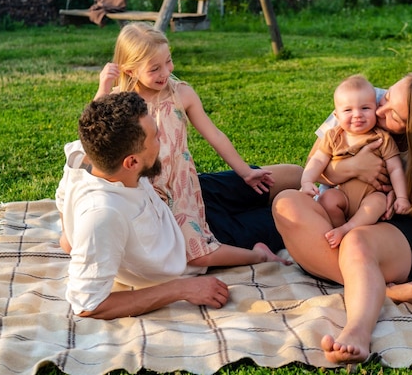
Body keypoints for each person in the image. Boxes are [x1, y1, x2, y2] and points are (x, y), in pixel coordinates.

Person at [272, 72, 412, 364]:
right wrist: (354, 167)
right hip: (338, 211)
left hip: (396, 231)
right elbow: (316, 166)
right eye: (388, 96)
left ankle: (357, 331)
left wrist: (408, 202)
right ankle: (382, 289)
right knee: (285, 202)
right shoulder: (360, 100)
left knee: (356, 240)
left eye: (394, 116)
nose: (378, 110)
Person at [95, 22, 302, 263]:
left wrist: (245, 172)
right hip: (164, 204)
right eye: (155, 69)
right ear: (130, 71)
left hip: (188, 186)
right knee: (280, 216)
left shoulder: (181, 93)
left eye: (168, 61)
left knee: (293, 175)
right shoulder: (120, 104)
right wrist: (103, 89)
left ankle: (323, 188)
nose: (165, 72)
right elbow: (95, 138)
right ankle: (297, 221)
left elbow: (215, 135)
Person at [56, 92, 229, 319]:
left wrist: (70, 237)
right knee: (284, 202)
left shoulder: (84, 154)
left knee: (287, 175)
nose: (162, 141)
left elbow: (62, 201)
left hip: (173, 199)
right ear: (132, 162)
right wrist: (182, 289)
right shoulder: (103, 216)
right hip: (196, 240)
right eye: (156, 137)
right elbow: (89, 305)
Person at [300, 75, 410, 248]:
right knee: (327, 199)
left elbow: (395, 168)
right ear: (336, 114)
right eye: (348, 110)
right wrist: (306, 181)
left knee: (379, 203)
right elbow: (317, 160)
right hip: (342, 195)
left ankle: (347, 229)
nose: (357, 115)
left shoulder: (382, 138)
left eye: (365, 108)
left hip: (371, 196)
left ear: (375, 109)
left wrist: (402, 197)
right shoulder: (334, 136)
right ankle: (337, 230)